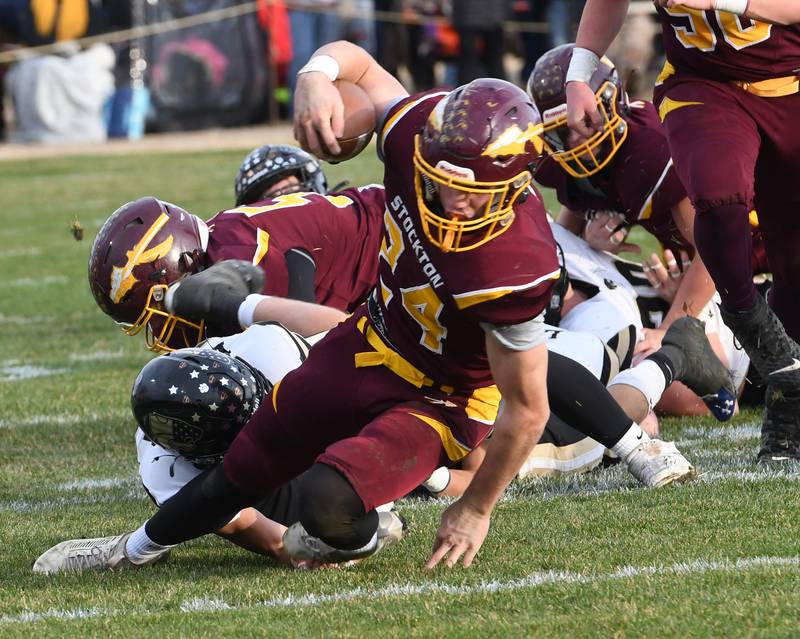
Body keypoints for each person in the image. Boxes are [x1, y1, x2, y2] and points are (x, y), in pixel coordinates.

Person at [33, 40, 702, 575]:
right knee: (253, 454)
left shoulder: (515, 264)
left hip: (444, 395)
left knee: (329, 498)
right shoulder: (419, 139)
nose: (446, 200)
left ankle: (656, 391)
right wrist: (317, 78)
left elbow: (524, 407)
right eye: (439, 182)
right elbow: (359, 65)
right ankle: (133, 549)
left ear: (509, 185)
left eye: (466, 192)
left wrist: (476, 507)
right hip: (377, 334)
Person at [563, 1, 800, 462]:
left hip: (791, 82)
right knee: (717, 195)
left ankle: (786, 415)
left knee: (794, 260)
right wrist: (579, 69)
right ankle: (745, 315)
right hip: (702, 83)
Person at [529, 44, 717, 359]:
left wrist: (672, 329)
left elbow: (718, 249)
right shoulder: (565, 163)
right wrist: (591, 240)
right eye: (562, 130)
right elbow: (565, 244)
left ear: (612, 101)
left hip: (752, 264)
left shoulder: (650, 148)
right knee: (546, 243)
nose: (576, 137)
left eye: (585, 119)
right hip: (682, 274)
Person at [88, 182, 385, 351]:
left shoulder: (241, 251)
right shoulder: (211, 261)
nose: (158, 329)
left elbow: (316, 338)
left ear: (185, 262)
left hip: (395, 238)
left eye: (158, 312)